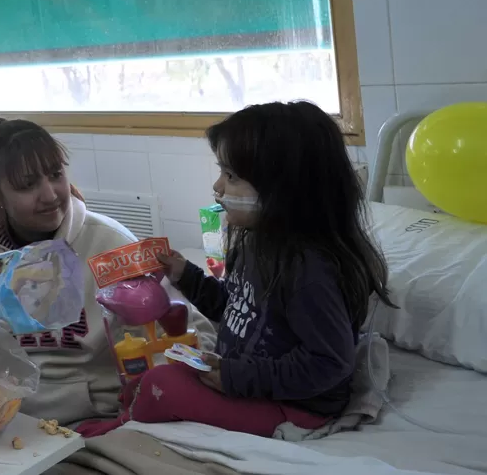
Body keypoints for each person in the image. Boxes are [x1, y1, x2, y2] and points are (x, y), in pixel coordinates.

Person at [77, 101, 396, 438]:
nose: (217, 187)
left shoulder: (309, 271)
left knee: (160, 383)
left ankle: (125, 429)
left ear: (284, 192)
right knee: (146, 377)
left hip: (297, 406)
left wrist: (235, 378)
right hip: (249, 381)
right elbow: (236, 309)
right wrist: (186, 275)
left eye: (230, 176)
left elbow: (328, 363)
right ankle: (136, 409)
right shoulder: (255, 241)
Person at [0, 118, 217, 426]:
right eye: (27, 185)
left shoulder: (110, 244)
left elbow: (193, 335)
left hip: (101, 419)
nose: (50, 194)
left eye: (56, 175)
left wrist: (144, 392)